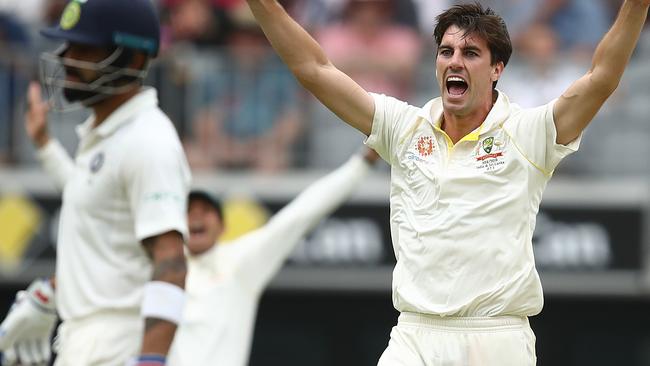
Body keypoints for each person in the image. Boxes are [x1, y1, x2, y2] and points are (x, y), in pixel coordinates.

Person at [244, 0, 649, 364]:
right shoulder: (403, 127)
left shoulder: (529, 132)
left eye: (471, 53)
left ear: (496, 69)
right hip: (414, 335)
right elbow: (314, 69)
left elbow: (601, 79)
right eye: (446, 51)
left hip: (496, 337)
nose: (455, 61)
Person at [0, 0, 191, 365]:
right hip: (85, 341)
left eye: (85, 49)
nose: (67, 59)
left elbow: (170, 261)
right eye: (67, 47)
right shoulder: (107, 136)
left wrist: (151, 361)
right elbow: (94, 218)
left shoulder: (147, 140)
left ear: (134, 61)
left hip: (120, 346)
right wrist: (50, 294)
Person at [167, 147, 380, 365]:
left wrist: (360, 165)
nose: (197, 216)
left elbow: (299, 214)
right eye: (189, 210)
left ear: (222, 227)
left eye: (206, 211)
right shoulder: (159, 266)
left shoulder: (239, 261)